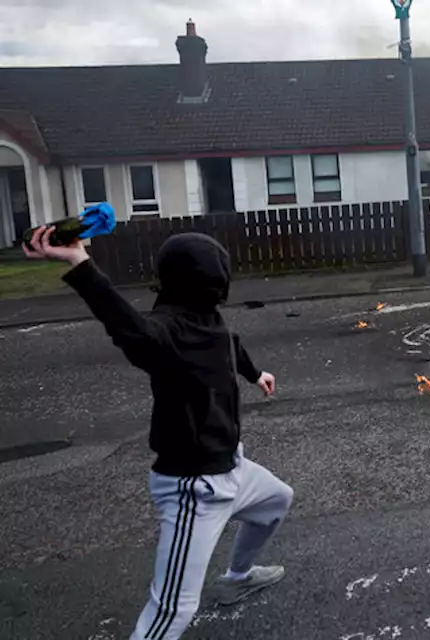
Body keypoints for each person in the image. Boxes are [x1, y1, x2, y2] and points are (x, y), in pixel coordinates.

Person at [23, 228, 294, 638]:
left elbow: (230, 342)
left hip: (231, 467)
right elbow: (130, 329)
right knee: (172, 612)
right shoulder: (165, 333)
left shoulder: (205, 317)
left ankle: (238, 577)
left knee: (277, 501)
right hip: (195, 487)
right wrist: (80, 263)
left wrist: (256, 374)